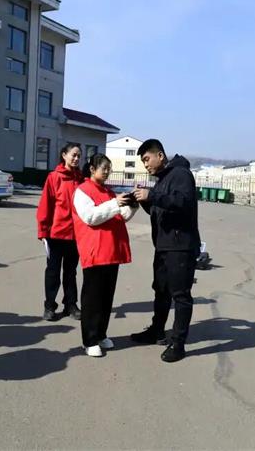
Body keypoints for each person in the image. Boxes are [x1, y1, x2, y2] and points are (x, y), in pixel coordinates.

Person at [130, 139, 200, 363]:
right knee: (161, 291)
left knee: (180, 295)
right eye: (142, 162)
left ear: (160, 155)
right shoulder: (162, 179)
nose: (145, 165)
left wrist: (152, 196)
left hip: (180, 246)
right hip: (163, 246)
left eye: (146, 159)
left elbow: (184, 202)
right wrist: (143, 200)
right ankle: (157, 331)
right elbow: (160, 209)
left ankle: (178, 344)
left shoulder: (181, 174)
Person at [72, 154, 138, 357]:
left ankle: (101, 334)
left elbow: (120, 217)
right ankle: (89, 340)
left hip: (111, 251)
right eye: (104, 168)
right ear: (92, 169)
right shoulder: (82, 191)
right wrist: (115, 204)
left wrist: (132, 205)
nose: (108, 172)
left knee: (106, 298)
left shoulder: (108, 192)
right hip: (95, 251)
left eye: (109, 168)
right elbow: (91, 217)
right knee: (92, 299)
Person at [36, 142, 84, 321]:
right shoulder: (54, 177)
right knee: (53, 272)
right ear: (64, 155)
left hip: (75, 236)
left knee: (71, 273)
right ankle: (49, 306)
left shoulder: (81, 179)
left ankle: (71, 305)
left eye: (79, 156)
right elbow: (45, 206)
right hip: (55, 235)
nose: (76, 158)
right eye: (74, 155)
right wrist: (43, 231)